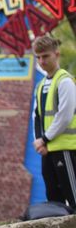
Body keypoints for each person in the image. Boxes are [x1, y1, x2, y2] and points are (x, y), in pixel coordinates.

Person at [32, 35, 76, 208]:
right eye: (38, 57)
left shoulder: (65, 81)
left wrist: (45, 139)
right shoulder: (41, 85)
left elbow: (64, 115)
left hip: (65, 148)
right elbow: (37, 116)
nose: (42, 61)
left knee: (73, 197)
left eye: (45, 56)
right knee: (54, 200)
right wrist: (39, 143)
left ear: (56, 55)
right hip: (48, 149)